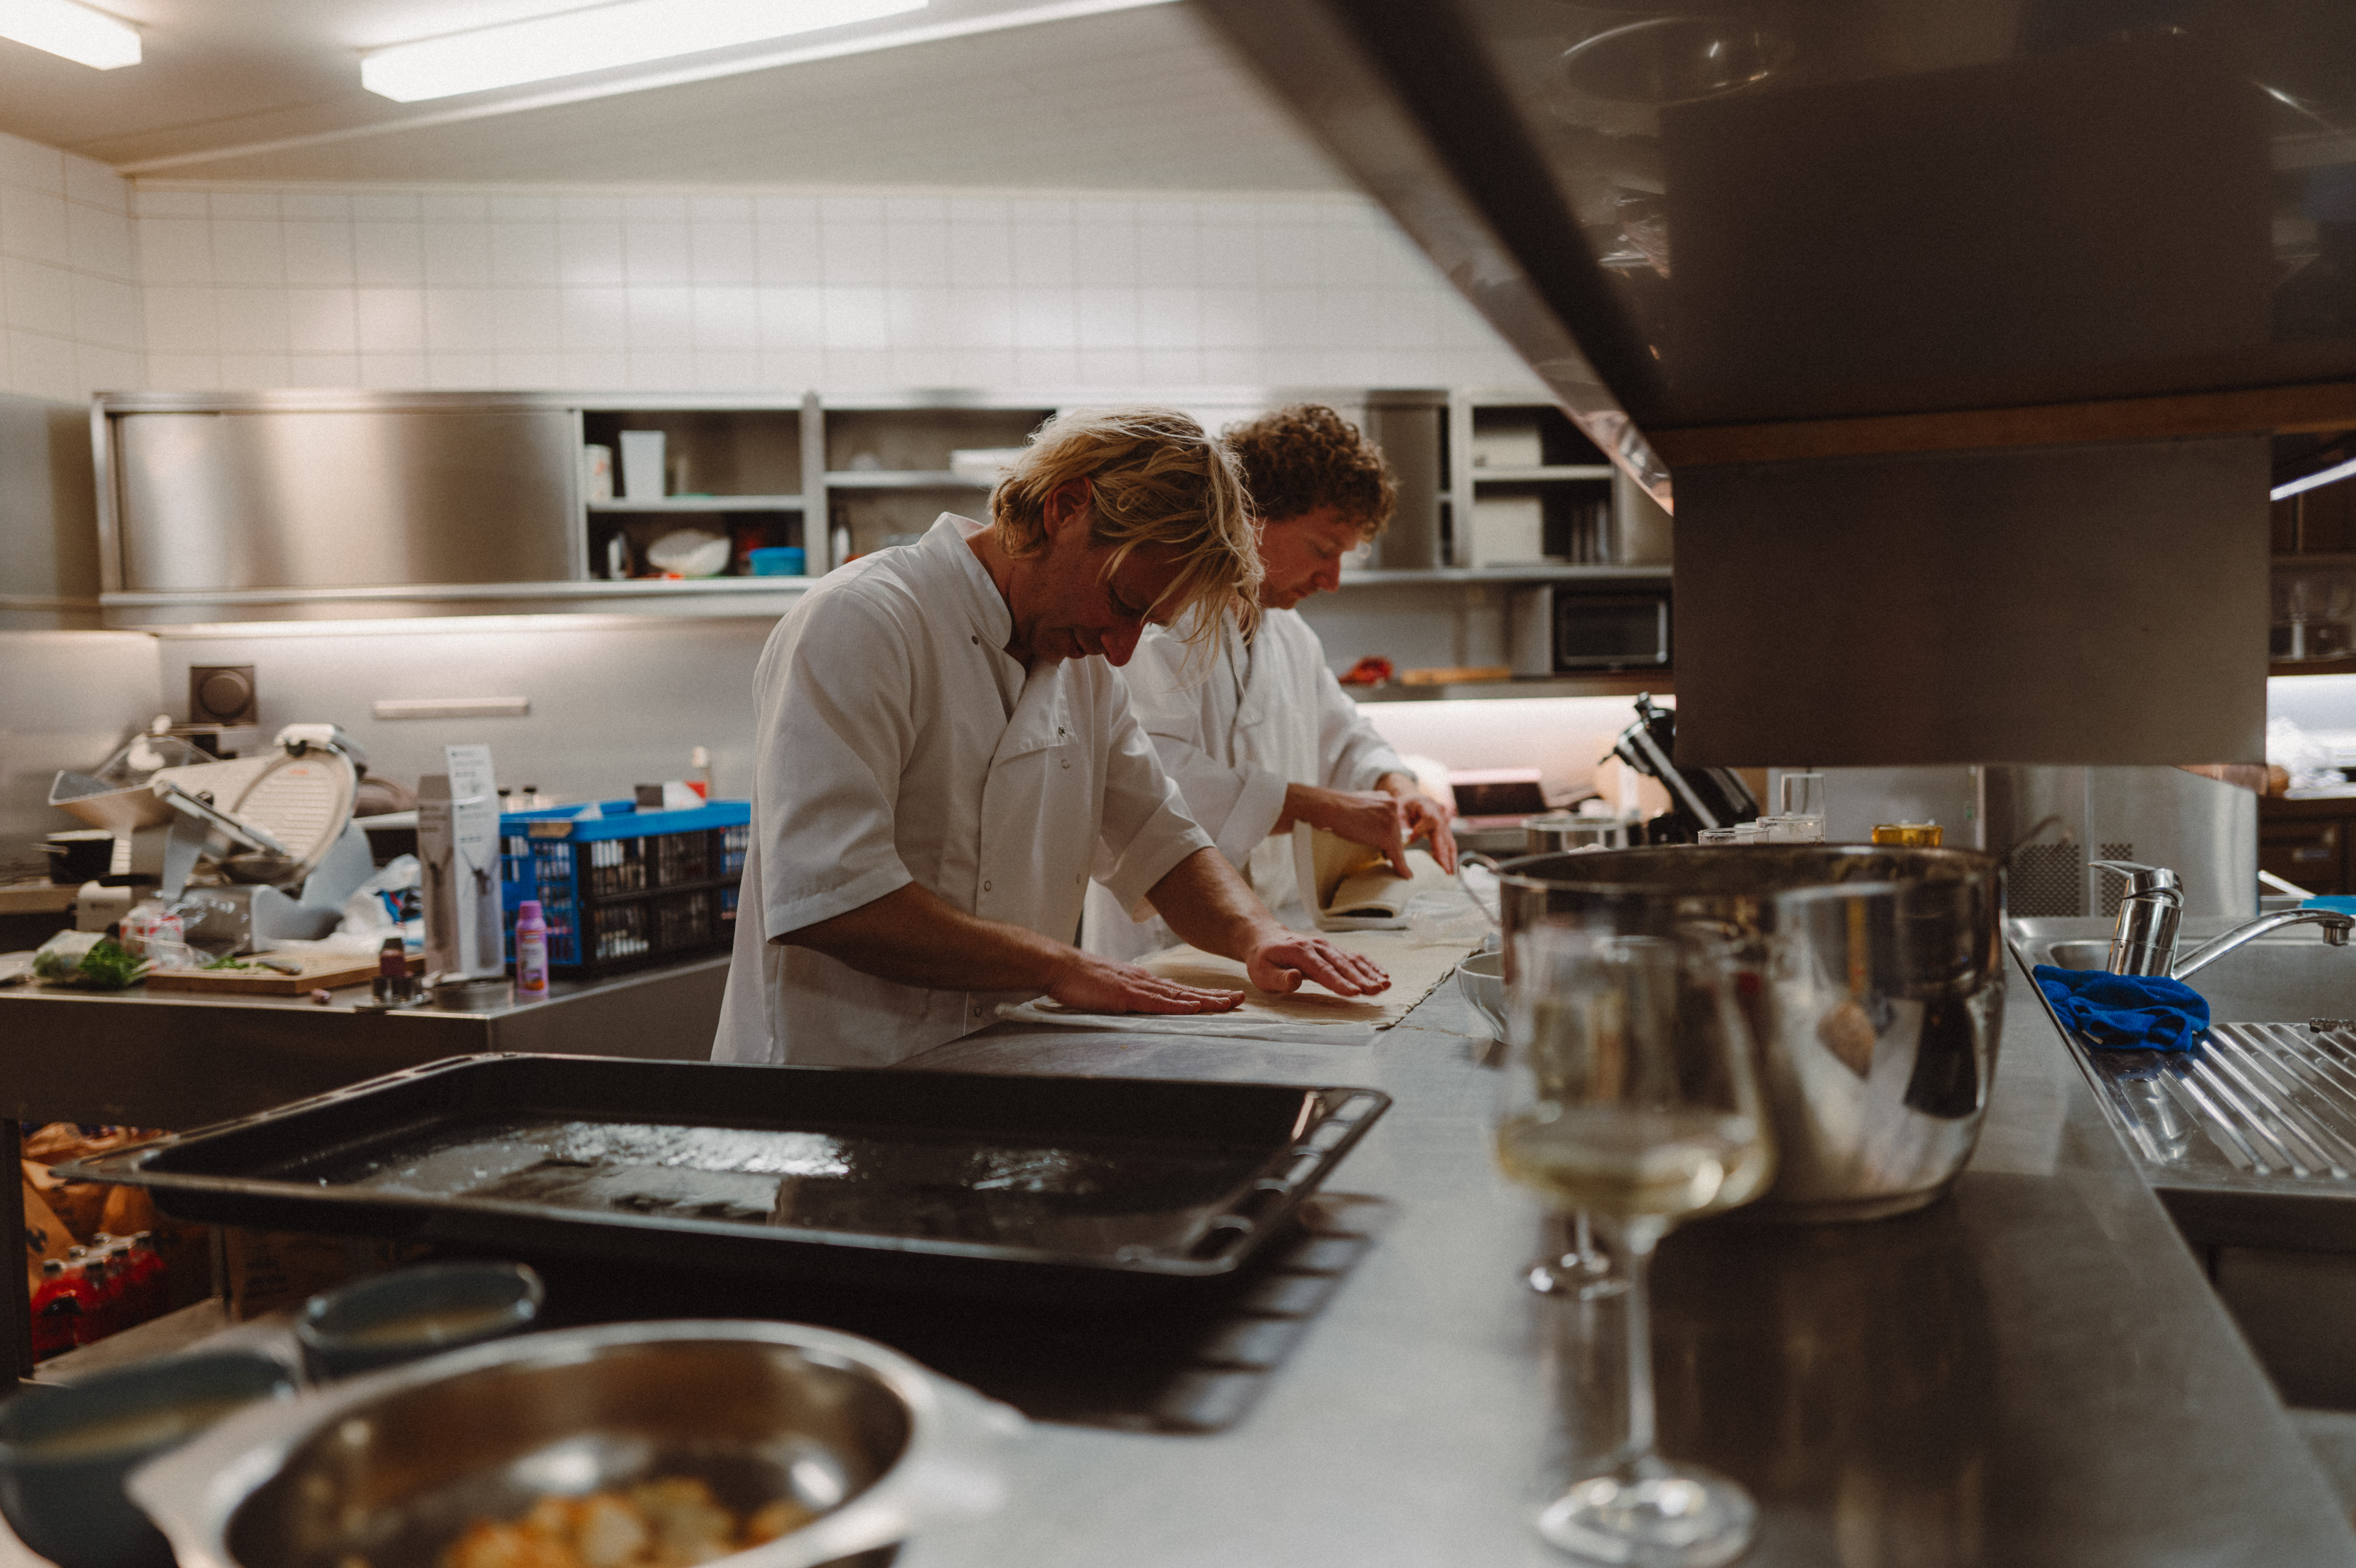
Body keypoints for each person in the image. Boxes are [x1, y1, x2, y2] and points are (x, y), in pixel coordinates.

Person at [711, 406, 1389, 1069]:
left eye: (1148, 625)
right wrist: (1059, 966)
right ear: (1065, 508)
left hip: (995, 1066)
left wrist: (1258, 935)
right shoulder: (865, 621)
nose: (1122, 651)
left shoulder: (1084, 671)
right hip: (839, 1081)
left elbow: (1162, 839)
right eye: (1125, 604)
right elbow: (834, 898)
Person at [1083, 404, 1456, 961]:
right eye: (1322, 550)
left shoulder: (1289, 634)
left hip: (1278, 930)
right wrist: (1320, 808)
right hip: (1159, 944)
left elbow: (1342, 733)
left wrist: (1393, 786)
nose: (1331, 581)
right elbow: (1151, 782)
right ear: (1250, 517)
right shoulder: (1161, 620)